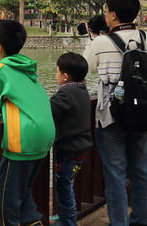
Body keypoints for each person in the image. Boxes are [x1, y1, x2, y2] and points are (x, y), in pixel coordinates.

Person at [0, 19, 55, 226]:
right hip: (44, 135)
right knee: (23, 191)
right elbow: (16, 97)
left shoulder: (1, 68)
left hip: (24, 138)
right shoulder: (25, 66)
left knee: (5, 194)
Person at [82, 0, 147, 226]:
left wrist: (92, 38)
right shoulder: (146, 38)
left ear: (112, 14)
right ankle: (142, 219)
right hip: (141, 109)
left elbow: (87, 67)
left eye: (106, 11)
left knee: (115, 174)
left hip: (111, 114)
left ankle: (119, 222)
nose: (105, 15)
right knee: (141, 169)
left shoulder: (103, 41)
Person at [49, 52, 92, 226]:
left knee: (64, 189)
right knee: (67, 184)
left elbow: (47, 108)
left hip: (69, 150)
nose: (56, 75)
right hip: (80, 148)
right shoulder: (82, 89)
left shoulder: (66, 92)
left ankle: (68, 222)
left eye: (57, 72)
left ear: (65, 76)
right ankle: (63, 217)